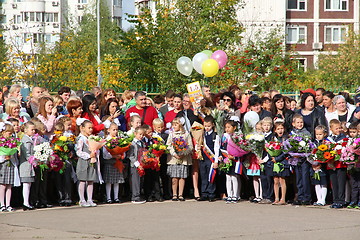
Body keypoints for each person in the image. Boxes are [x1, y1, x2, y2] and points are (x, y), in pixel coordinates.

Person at [166, 118, 193, 201]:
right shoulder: (171, 134)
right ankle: (174, 194)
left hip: (183, 158)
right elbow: (168, 145)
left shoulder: (186, 134)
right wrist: (174, 153)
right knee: (174, 177)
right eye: (173, 125)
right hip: (173, 159)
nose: (174, 126)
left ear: (180, 125)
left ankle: (180, 194)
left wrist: (183, 153)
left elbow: (190, 146)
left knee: (182, 177)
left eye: (175, 124)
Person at [75, 118, 99, 207]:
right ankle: (82, 199)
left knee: (90, 180)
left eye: (91, 128)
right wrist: (89, 155)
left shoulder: (91, 138)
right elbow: (78, 152)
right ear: (82, 128)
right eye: (89, 128)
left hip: (91, 162)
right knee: (82, 180)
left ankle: (89, 199)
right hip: (83, 162)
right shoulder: (81, 139)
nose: (91, 130)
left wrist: (95, 152)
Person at [290, 114, 312, 205]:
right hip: (296, 159)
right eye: (298, 122)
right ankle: (300, 196)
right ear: (293, 124)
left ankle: (307, 197)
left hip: (304, 159)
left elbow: (309, 145)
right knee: (298, 179)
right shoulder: (291, 134)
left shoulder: (306, 133)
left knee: (305, 178)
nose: (300, 124)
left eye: (301, 122)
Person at [102, 122, 125, 204]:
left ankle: (116, 197)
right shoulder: (106, 140)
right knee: (109, 181)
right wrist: (112, 156)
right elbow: (105, 154)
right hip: (110, 162)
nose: (115, 131)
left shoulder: (119, 140)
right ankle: (108, 197)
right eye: (113, 130)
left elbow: (123, 149)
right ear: (108, 130)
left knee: (116, 181)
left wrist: (121, 155)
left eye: (116, 130)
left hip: (118, 162)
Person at [199, 116, 219, 202]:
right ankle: (204, 193)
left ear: (213, 125)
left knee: (211, 176)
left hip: (211, 159)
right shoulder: (201, 135)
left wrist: (216, 161)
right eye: (205, 126)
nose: (207, 128)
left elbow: (217, 149)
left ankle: (211, 194)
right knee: (203, 176)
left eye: (209, 126)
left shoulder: (215, 136)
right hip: (203, 158)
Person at [0, 123, 20, 212]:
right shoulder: (1, 141)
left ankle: (8, 204)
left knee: (9, 185)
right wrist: (4, 157)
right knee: (2, 185)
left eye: (11, 133)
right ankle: (2, 204)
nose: (10, 134)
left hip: (10, 164)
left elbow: (13, 152)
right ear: (3, 132)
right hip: (3, 164)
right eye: (9, 132)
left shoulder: (12, 141)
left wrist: (11, 154)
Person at [327, 119, 347, 209]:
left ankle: (341, 201)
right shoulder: (328, 139)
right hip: (331, 163)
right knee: (333, 183)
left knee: (341, 182)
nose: (338, 130)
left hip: (340, 163)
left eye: (339, 128)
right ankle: (335, 200)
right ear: (331, 129)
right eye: (336, 128)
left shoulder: (344, 138)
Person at [222, 120, 241, 204]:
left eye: (229, 127)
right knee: (228, 177)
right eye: (226, 127)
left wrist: (234, 156)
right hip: (227, 158)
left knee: (234, 177)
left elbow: (240, 148)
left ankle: (235, 195)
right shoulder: (224, 136)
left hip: (235, 159)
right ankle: (229, 195)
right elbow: (222, 146)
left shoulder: (237, 137)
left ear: (234, 128)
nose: (227, 129)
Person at [19, 121, 37, 210]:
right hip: (26, 166)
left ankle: (27, 202)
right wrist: (35, 162)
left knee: (28, 184)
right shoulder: (26, 140)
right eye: (32, 129)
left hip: (28, 165)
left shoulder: (29, 139)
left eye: (34, 129)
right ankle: (25, 202)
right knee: (26, 184)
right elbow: (27, 154)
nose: (33, 131)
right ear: (26, 130)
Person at [271, 121, 290, 205]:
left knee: (282, 180)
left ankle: (283, 198)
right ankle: (276, 198)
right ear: (275, 130)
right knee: (275, 180)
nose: (280, 130)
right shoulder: (273, 139)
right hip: (274, 161)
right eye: (278, 129)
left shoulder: (286, 139)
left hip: (283, 161)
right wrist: (273, 158)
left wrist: (278, 158)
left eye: (281, 128)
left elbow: (285, 152)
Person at [152, 118, 170, 200]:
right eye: (158, 127)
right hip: (155, 159)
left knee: (164, 176)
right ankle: (158, 194)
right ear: (154, 127)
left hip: (164, 158)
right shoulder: (152, 136)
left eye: (162, 127)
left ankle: (166, 193)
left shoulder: (166, 135)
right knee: (156, 177)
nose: (160, 129)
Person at [310, 125, 328, 206]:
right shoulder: (313, 143)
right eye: (317, 134)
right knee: (316, 183)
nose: (318, 136)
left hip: (323, 166)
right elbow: (309, 154)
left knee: (323, 183)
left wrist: (321, 163)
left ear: (324, 134)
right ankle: (318, 199)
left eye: (320, 134)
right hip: (314, 167)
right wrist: (313, 163)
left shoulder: (326, 143)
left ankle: (323, 200)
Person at [128, 126, 146, 204]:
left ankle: (138, 194)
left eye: (142, 135)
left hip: (142, 165)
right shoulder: (132, 144)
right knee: (135, 181)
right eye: (140, 134)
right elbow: (130, 155)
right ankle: (135, 196)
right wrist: (137, 164)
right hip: (135, 165)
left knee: (140, 180)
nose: (141, 136)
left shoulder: (142, 143)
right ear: (135, 134)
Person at [258, 117, 274, 204]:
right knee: (263, 178)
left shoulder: (272, 137)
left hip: (268, 160)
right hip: (261, 159)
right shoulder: (260, 136)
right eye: (264, 125)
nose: (266, 127)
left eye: (268, 125)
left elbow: (272, 150)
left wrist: (264, 160)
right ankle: (264, 196)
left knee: (269, 179)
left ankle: (270, 196)